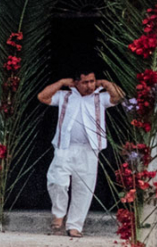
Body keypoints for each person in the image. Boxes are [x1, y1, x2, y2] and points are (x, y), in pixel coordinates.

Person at [38, 70, 121, 237]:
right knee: (57, 181)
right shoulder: (65, 95)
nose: (89, 85)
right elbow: (43, 97)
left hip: (89, 149)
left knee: (84, 187)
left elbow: (118, 97)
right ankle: (58, 216)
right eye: (85, 82)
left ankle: (75, 226)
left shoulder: (100, 97)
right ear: (76, 82)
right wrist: (61, 81)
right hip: (65, 147)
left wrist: (104, 83)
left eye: (91, 81)